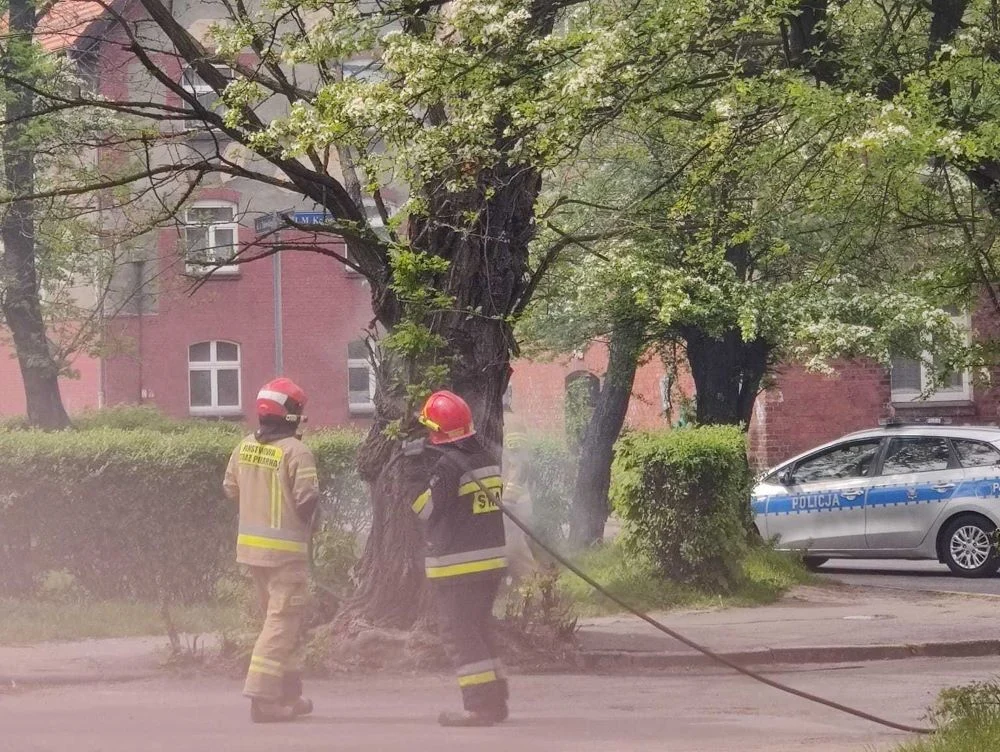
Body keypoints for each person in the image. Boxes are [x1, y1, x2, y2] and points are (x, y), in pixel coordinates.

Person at [223, 377, 320, 723]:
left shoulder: (243, 447)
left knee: (284, 622)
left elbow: (231, 490)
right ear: (289, 413)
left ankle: (289, 694)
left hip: (252, 554)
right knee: (280, 624)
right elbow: (308, 502)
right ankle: (263, 700)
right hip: (286, 556)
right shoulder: (297, 451)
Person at [411, 389, 510, 727]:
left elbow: (426, 511)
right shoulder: (484, 458)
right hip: (491, 564)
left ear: (437, 431)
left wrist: (415, 478)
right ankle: (497, 701)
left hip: (458, 567)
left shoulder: (448, 467)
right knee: (480, 629)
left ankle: (479, 707)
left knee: (460, 634)